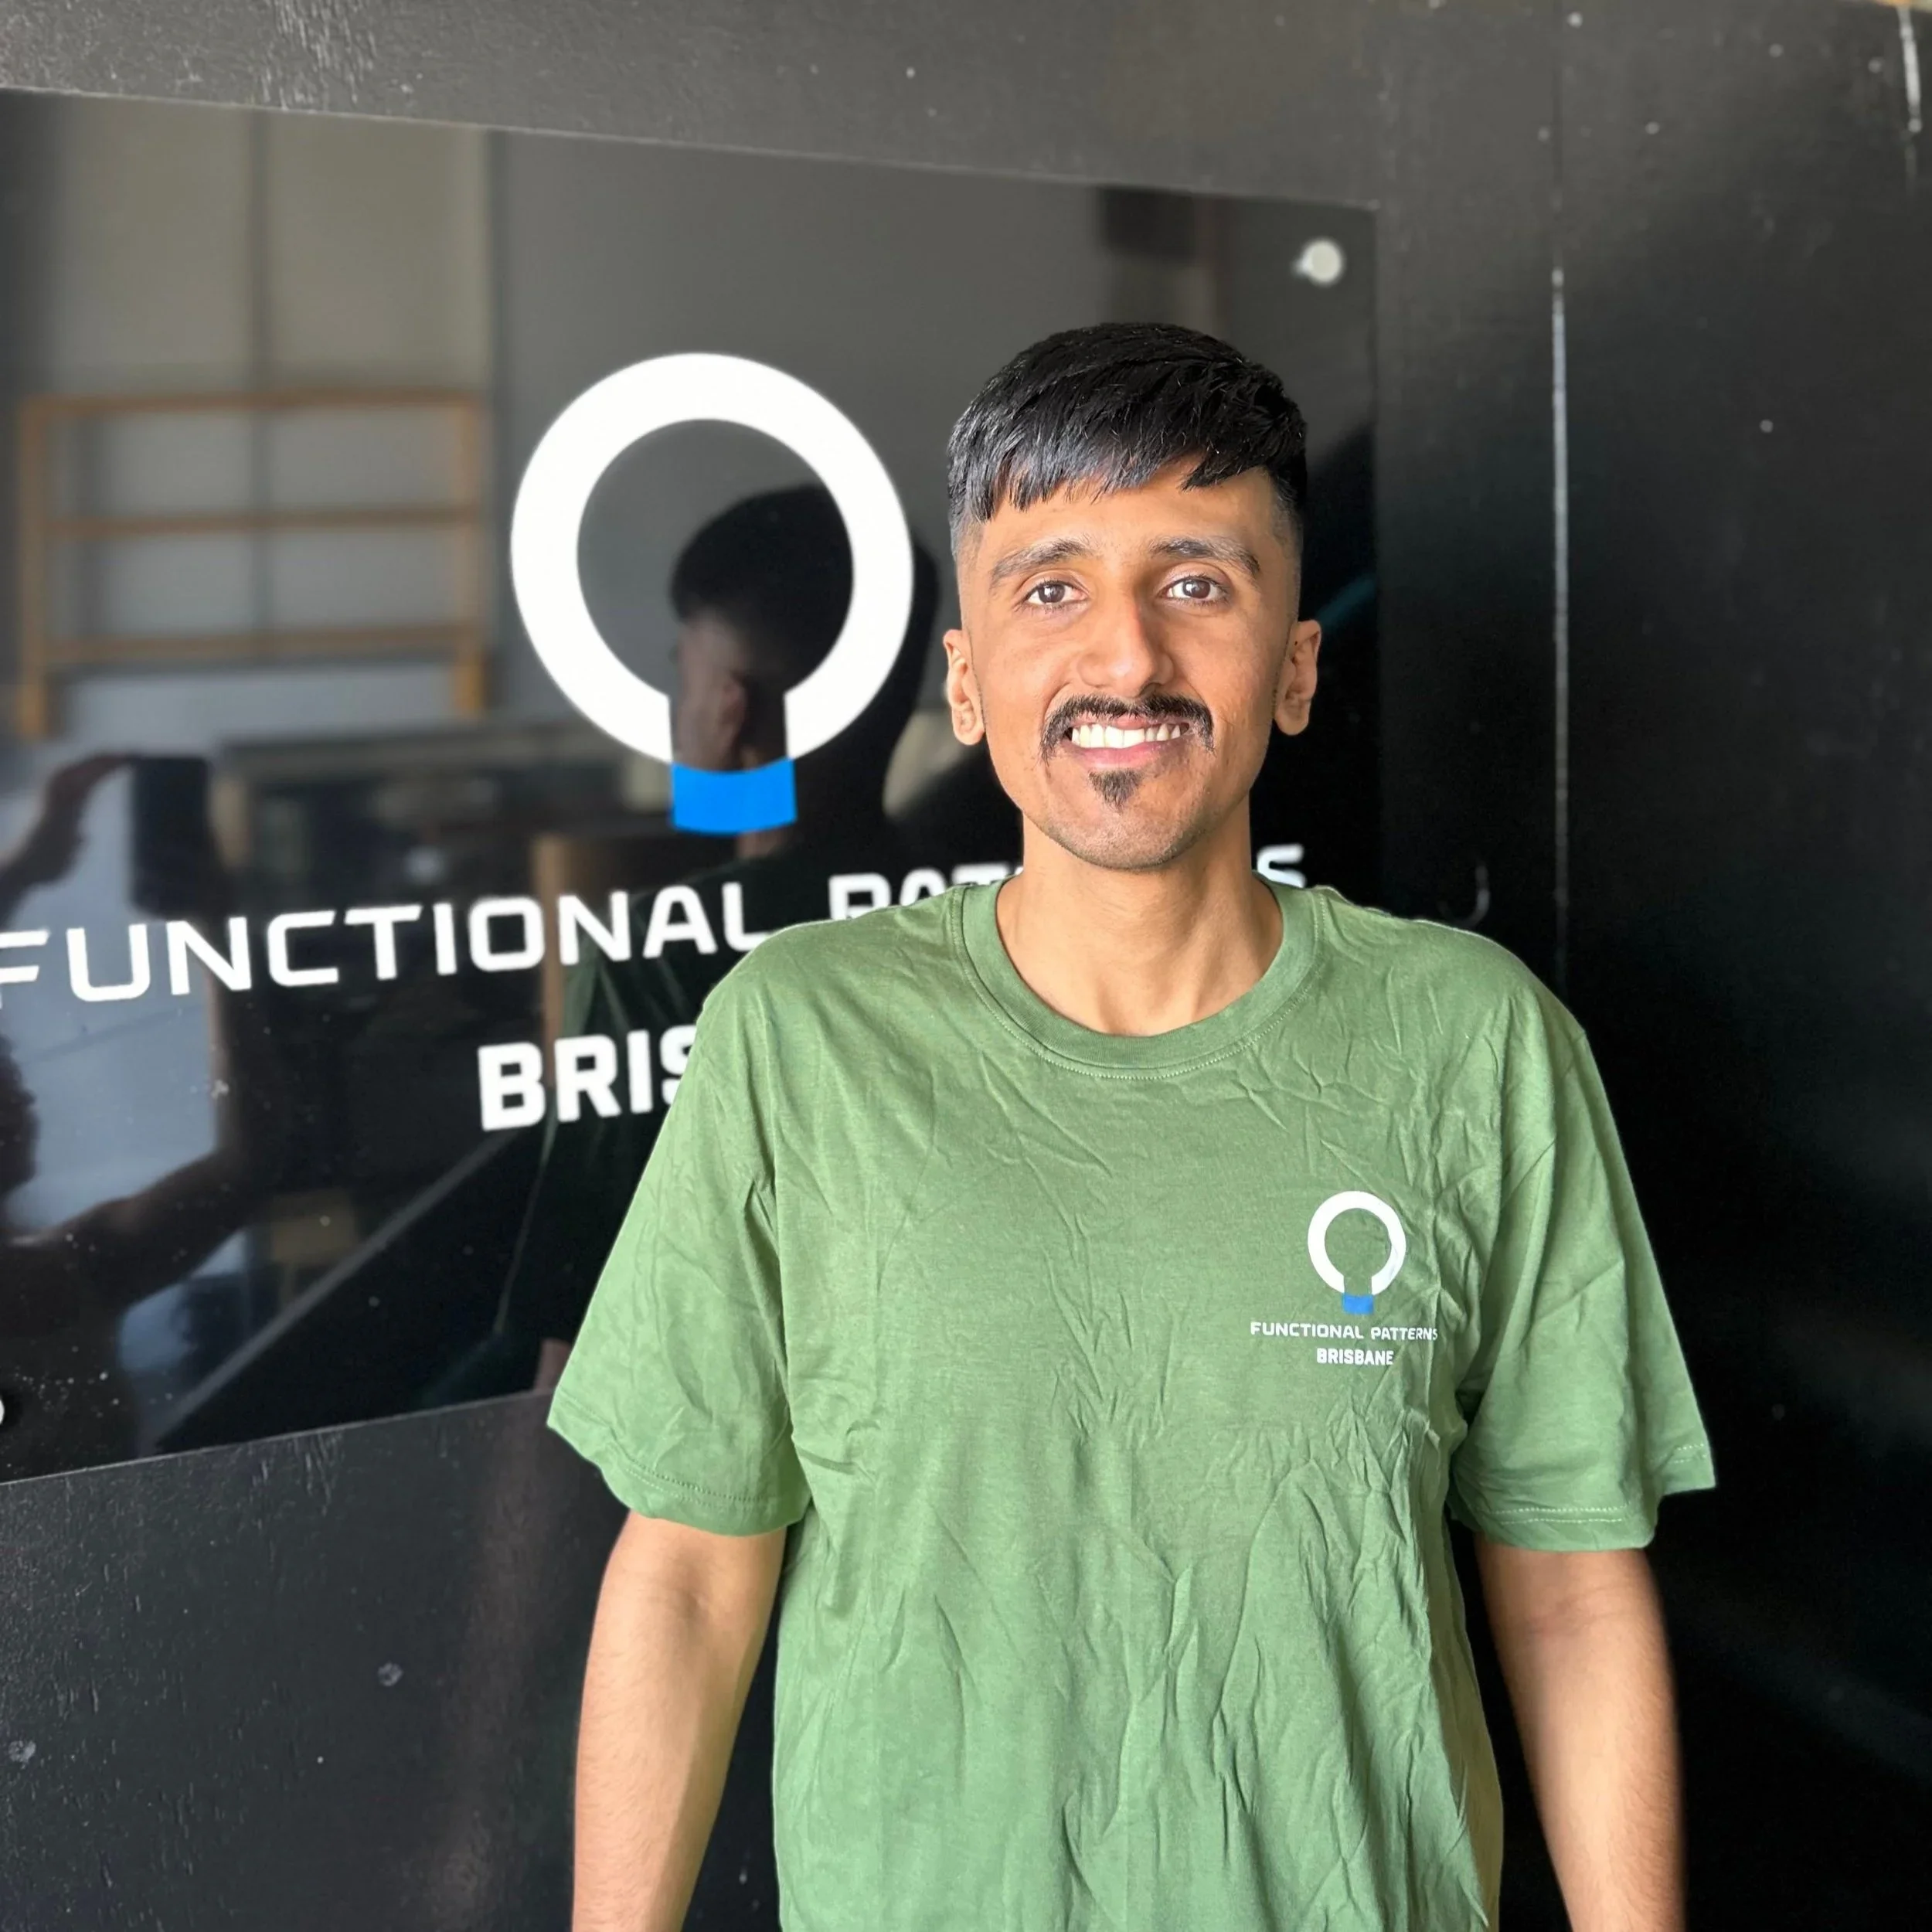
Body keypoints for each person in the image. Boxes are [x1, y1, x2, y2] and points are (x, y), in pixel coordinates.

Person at [549, 323, 1714, 1931]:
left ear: (1293, 665)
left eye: (1196, 582)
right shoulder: (799, 1034)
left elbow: (1571, 1590)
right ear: (964, 678)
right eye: (1048, 587)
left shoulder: (1473, 1039)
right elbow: (684, 1573)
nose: (1126, 661)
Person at [491, 487, 944, 1390]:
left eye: (681, 671)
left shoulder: (656, 953)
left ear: (730, 707)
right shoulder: (974, 914)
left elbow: (583, 1343)